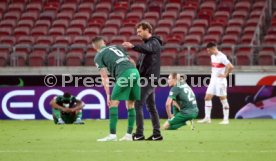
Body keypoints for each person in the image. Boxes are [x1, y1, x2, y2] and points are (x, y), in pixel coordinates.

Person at [93, 37, 141, 142]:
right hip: (135, 72)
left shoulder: (98, 56)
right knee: (131, 105)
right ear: (104, 42)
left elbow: (104, 77)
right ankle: (128, 136)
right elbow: (132, 61)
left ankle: (112, 135)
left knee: (113, 103)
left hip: (124, 74)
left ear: (94, 47)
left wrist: (108, 95)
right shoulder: (116, 47)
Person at [122, 21, 163, 141]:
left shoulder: (154, 42)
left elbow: (148, 50)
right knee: (151, 106)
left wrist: (133, 46)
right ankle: (157, 134)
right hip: (146, 78)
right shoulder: (146, 45)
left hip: (149, 79)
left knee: (138, 104)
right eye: (137, 32)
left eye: (140, 31)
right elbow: (143, 63)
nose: (138, 34)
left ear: (147, 30)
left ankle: (139, 134)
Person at [197, 42, 234, 124]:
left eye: (208, 50)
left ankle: (226, 119)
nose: (208, 52)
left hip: (220, 81)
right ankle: (207, 118)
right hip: (213, 81)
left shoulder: (222, 57)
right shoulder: (213, 56)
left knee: (223, 99)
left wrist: (225, 75)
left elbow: (231, 67)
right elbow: (214, 67)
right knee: (207, 97)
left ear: (213, 49)